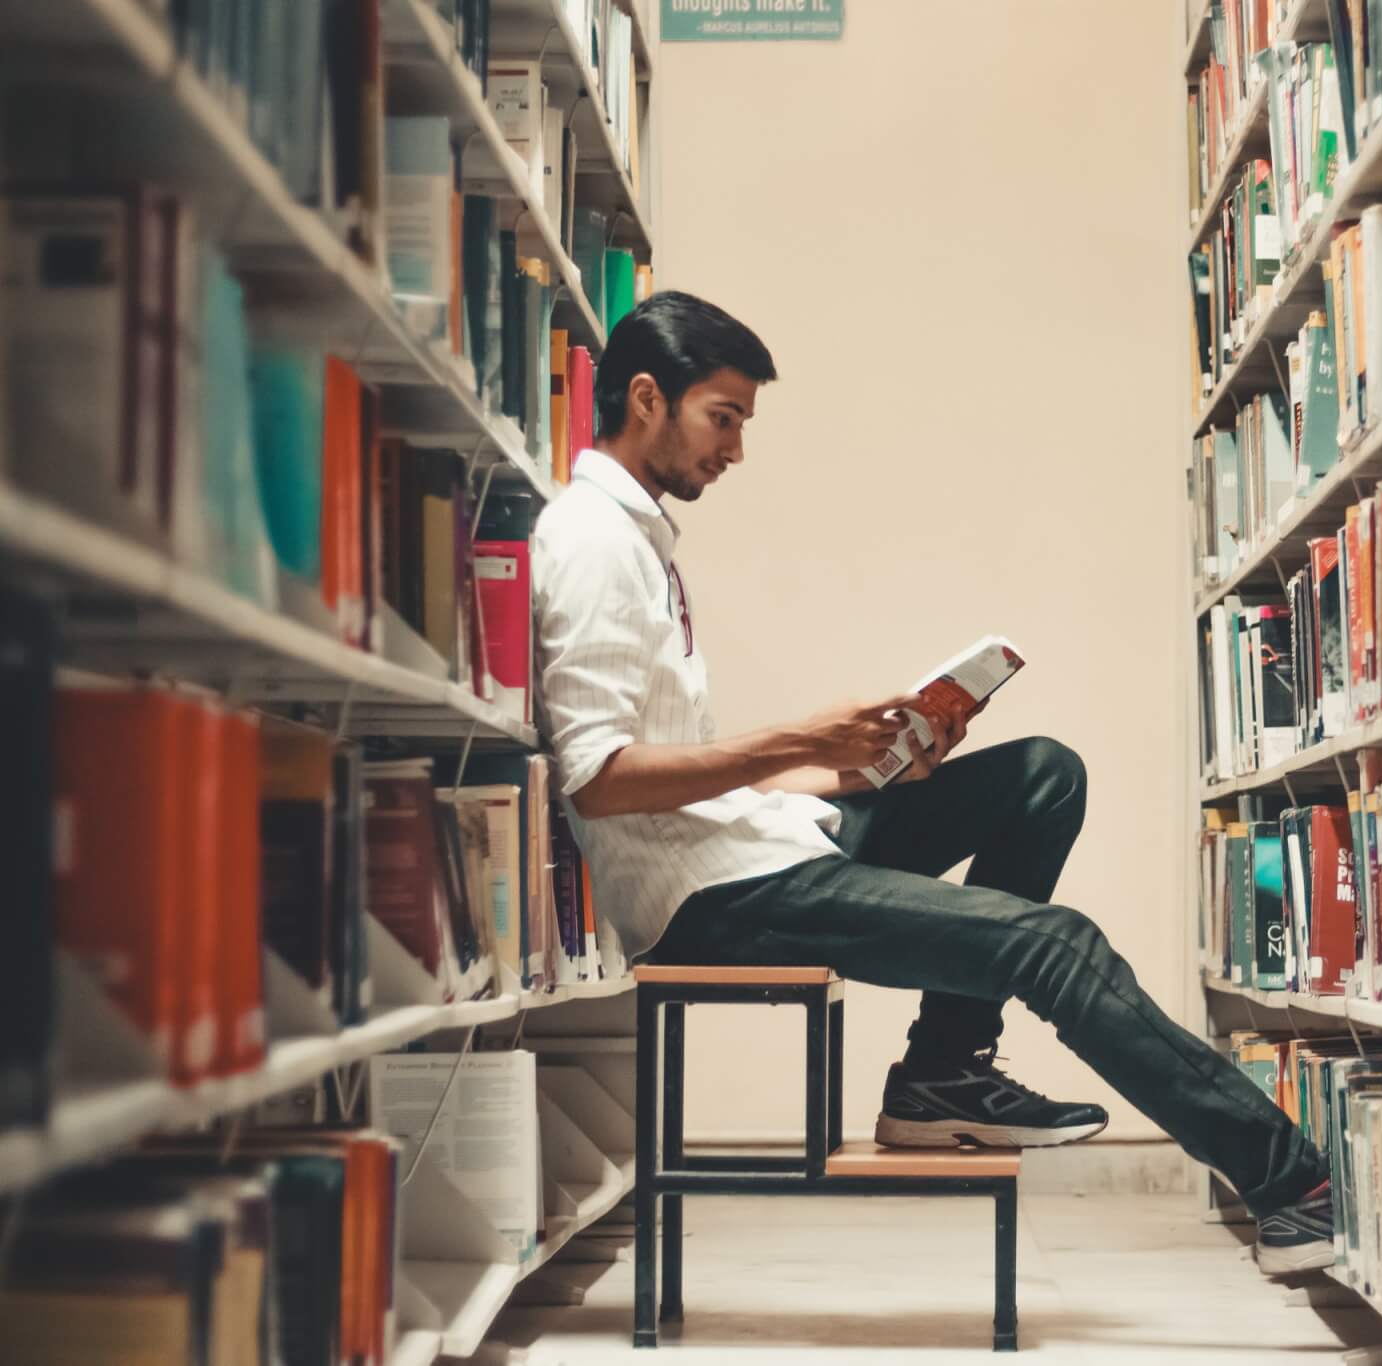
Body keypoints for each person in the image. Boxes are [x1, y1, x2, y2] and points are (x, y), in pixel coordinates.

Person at [529, 291, 1334, 1274]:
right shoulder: (587, 544)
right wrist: (796, 737)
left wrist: (860, 763)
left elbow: (677, 768)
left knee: (1041, 777)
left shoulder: (638, 538)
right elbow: (600, 781)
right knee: (1052, 944)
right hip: (709, 899)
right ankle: (1293, 1184)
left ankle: (940, 1073)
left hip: (754, 842)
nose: (735, 449)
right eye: (723, 417)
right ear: (646, 399)